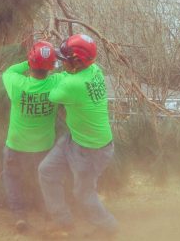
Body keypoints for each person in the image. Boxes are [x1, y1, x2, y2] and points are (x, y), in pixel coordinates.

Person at [38, 33, 118, 238]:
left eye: (64, 60)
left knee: (83, 194)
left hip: (92, 150)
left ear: (77, 62)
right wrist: (66, 72)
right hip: (74, 139)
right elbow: (67, 77)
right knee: (46, 171)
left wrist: (55, 74)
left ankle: (109, 228)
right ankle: (62, 220)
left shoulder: (72, 86)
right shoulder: (94, 69)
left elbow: (52, 95)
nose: (61, 63)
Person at [1, 40, 60, 233]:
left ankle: (19, 215)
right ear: (50, 67)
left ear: (31, 64)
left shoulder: (16, 83)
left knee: (12, 178)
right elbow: (71, 72)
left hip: (16, 144)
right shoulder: (56, 83)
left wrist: (30, 61)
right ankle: (48, 213)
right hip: (43, 146)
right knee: (45, 179)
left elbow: (8, 71)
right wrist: (49, 59)